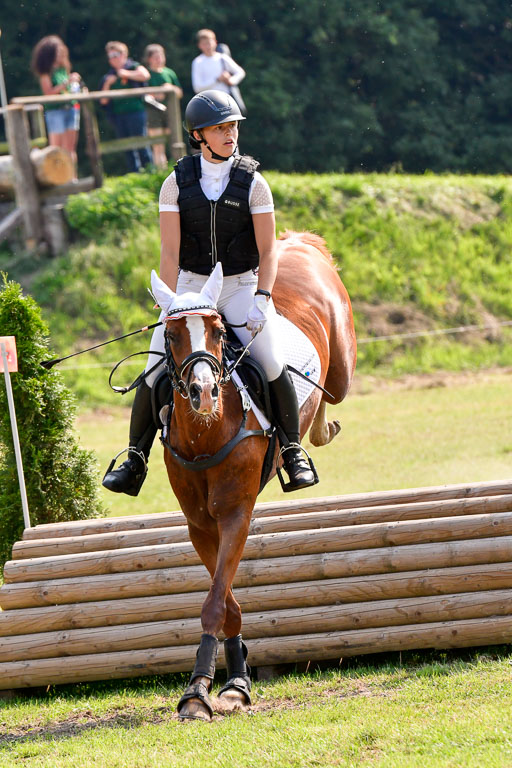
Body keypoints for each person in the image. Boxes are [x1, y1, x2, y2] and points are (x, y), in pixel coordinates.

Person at [102, 90, 316, 496]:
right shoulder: (174, 184)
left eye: (233, 126)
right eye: (221, 128)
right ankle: (135, 458)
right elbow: (169, 251)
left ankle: (292, 451)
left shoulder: (254, 183)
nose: (231, 134)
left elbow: (269, 250)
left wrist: (262, 297)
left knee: (270, 361)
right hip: (190, 288)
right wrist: (167, 301)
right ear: (198, 135)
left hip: (239, 287)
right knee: (151, 369)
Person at [31, 36, 82, 177]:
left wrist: (74, 85)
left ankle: (73, 179)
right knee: (57, 150)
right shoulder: (45, 72)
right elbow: (48, 93)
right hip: (55, 111)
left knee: (70, 149)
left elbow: (66, 89)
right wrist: (66, 83)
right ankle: (59, 180)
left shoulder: (62, 68)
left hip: (71, 108)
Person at [100, 41, 152, 173]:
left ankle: (149, 171)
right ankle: (134, 174)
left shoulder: (133, 66)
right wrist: (107, 84)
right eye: (110, 56)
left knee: (142, 144)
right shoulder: (108, 76)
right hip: (118, 115)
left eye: (115, 55)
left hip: (136, 112)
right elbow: (103, 101)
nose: (113, 59)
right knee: (127, 147)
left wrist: (126, 74)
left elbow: (145, 75)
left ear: (124, 54)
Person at [143, 44, 183, 169]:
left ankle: (175, 170)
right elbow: (144, 95)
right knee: (158, 145)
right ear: (149, 59)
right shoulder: (146, 74)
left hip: (170, 112)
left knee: (174, 142)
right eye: (155, 56)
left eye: (161, 55)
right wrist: (157, 93)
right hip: (153, 112)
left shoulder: (169, 73)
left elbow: (180, 93)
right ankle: (161, 172)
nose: (159, 58)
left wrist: (170, 88)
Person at [191, 29, 246, 114]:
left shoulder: (222, 58)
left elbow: (240, 72)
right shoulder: (198, 62)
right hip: (208, 103)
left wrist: (231, 80)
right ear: (199, 45)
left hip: (227, 102)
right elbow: (197, 87)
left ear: (215, 42)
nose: (208, 46)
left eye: (209, 43)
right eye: (204, 44)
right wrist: (217, 80)